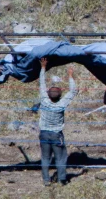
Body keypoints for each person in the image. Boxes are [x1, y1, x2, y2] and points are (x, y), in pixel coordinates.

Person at [39, 58, 76, 186]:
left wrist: (43, 67)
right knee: (60, 157)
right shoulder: (61, 104)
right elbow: (72, 92)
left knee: (45, 158)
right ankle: (61, 180)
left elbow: (42, 83)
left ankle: (46, 180)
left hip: (43, 133)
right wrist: (70, 76)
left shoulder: (44, 100)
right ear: (60, 95)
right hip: (56, 134)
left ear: (48, 94)